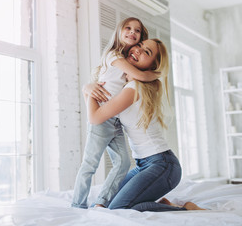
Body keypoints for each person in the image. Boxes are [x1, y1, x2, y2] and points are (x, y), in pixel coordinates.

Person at [84, 38, 204, 212]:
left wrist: (86, 90)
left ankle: (186, 209)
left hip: (163, 165)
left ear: (152, 65)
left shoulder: (134, 88)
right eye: (139, 45)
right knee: (107, 202)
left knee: (119, 207)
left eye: (146, 52)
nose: (138, 50)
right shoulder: (132, 85)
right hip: (143, 164)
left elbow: (95, 118)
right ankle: (163, 205)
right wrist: (89, 88)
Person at [71, 17, 159, 209]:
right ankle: (77, 205)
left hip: (115, 121)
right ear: (119, 31)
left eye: (137, 31)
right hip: (101, 118)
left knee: (123, 163)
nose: (132, 33)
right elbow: (142, 76)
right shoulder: (114, 56)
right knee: (90, 164)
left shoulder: (129, 62)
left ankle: (101, 202)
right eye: (128, 28)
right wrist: (158, 74)